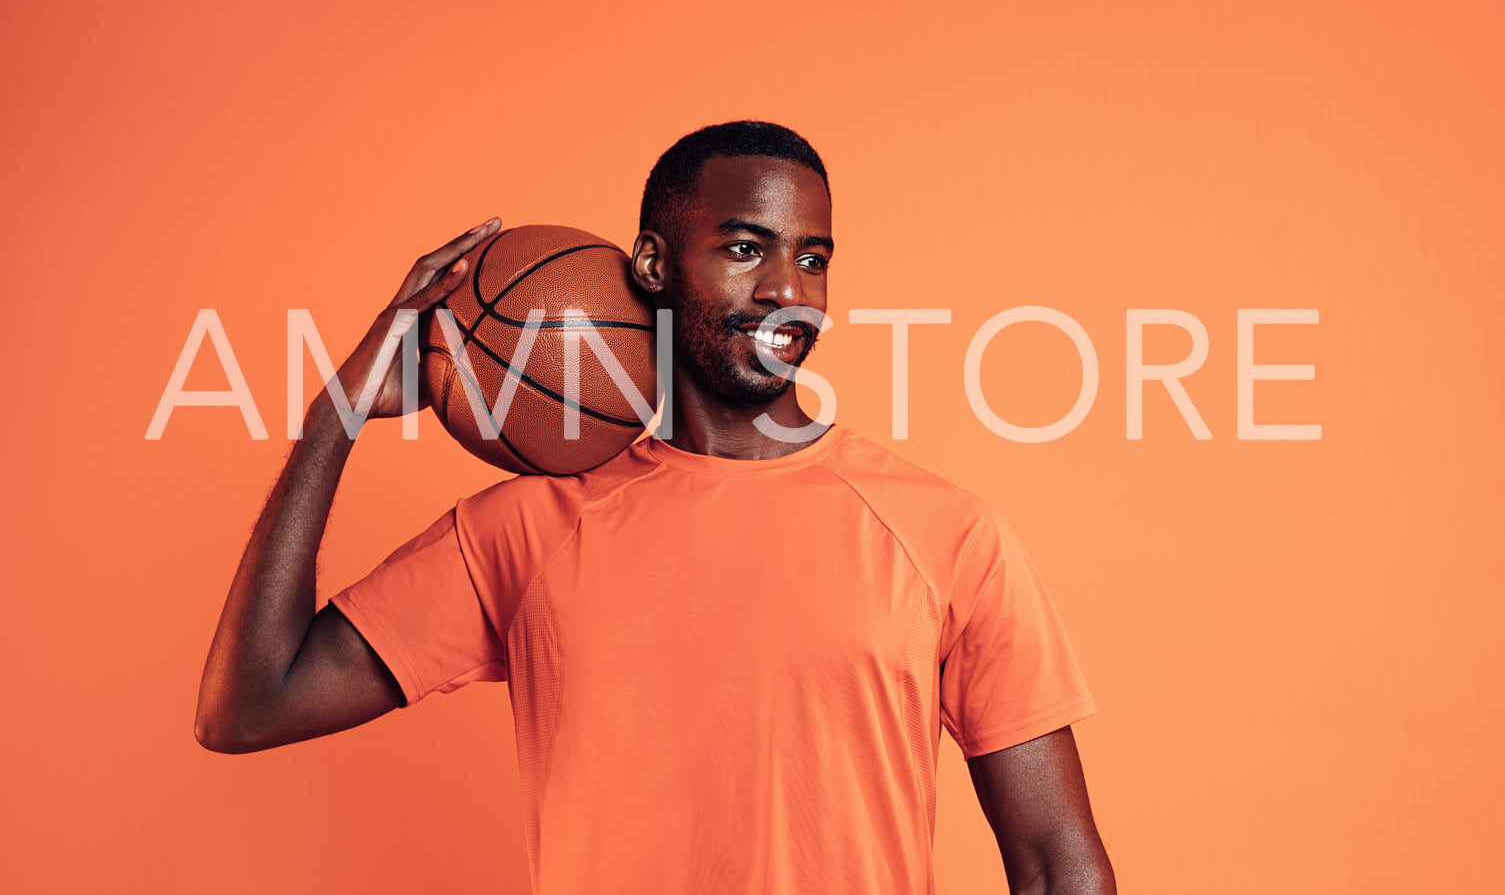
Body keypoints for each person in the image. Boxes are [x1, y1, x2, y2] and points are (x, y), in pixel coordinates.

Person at [196, 121, 1116, 894]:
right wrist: (333, 420)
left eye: (813, 258)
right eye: (746, 248)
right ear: (653, 263)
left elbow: (1055, 865)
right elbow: (246, 708)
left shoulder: (946, 534)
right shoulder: (528, 530)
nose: (787, 289)